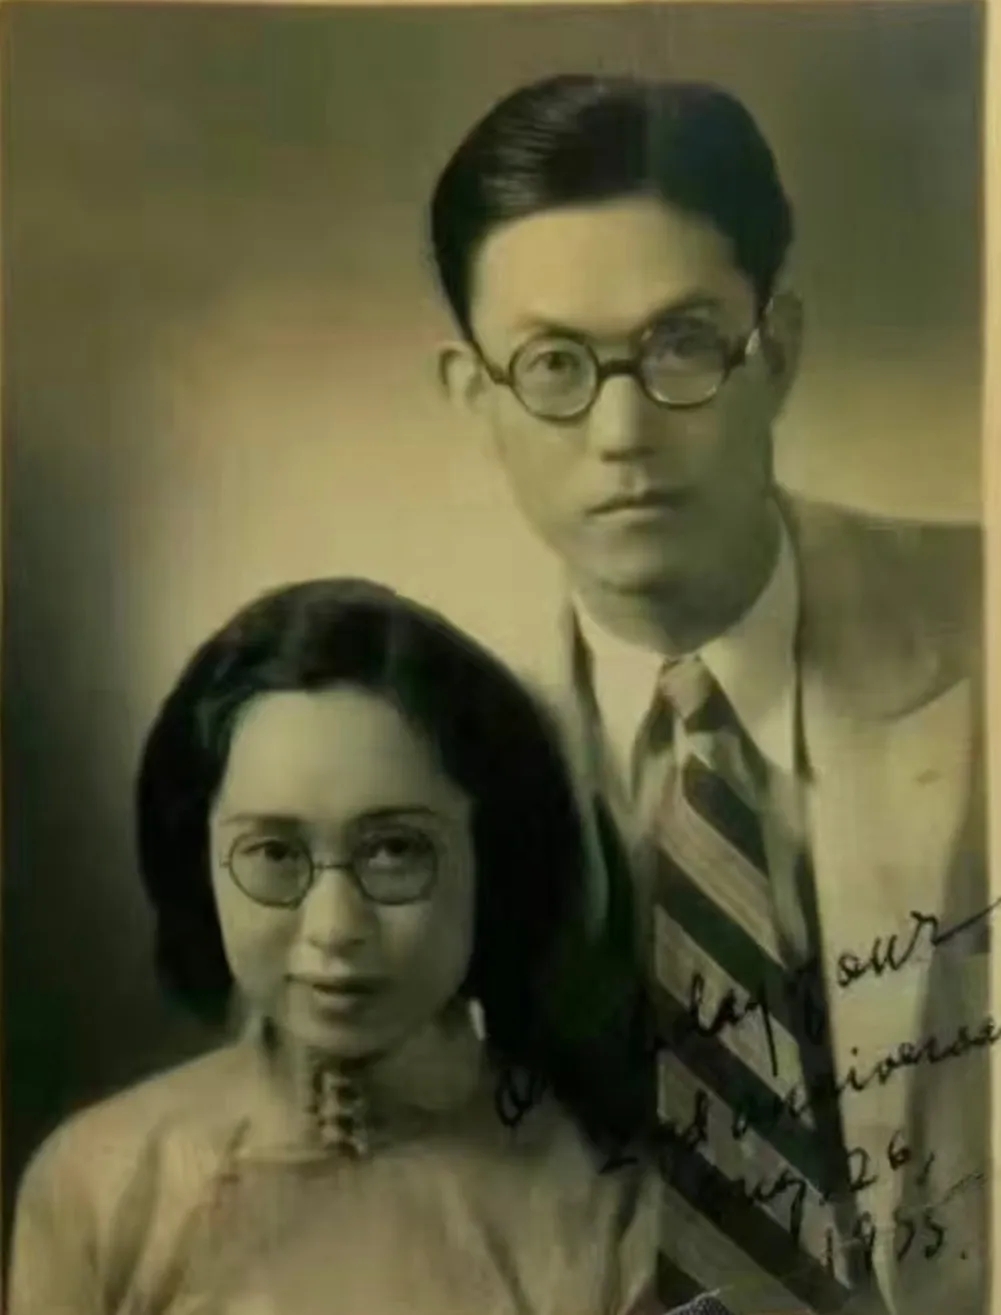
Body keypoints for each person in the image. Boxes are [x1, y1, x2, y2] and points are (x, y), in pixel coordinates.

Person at [430, 74, 988, 1315]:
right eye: (553, 365)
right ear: (475, 398)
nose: (622, 431)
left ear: (774, 353)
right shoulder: (429, 766)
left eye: (680, 343)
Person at [7, 578, 662, 1315]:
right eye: (273, 853)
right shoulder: (98, 1184)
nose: (334, 926)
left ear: (492, 859)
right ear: (200, 861)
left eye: (394, 850)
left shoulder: (599, 1195)